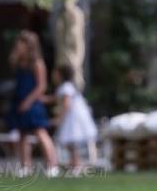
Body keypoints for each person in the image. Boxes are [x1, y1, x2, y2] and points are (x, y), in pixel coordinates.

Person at [8, 31, 59, 177]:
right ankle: (25, 166)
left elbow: (41, 86)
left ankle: (52, 165)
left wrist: (28, 102)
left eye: (21, 43)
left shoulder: (37, 63)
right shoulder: (19, 63)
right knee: (22, 134)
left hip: (32, 102)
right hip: (19, 100)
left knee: (40, 132)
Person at [52, 63, 97, 174]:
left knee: (71, 143)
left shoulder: (65, 87)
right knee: (71, 144)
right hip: (75, 116)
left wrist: (59, 118)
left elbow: (66, 105)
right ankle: (75, 164)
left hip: (73, 118)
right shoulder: (69, 86)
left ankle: (76, 165)